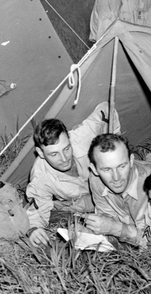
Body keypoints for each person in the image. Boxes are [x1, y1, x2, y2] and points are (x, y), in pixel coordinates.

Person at [25, 103, 120, 247]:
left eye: (67, 148)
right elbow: (37, 211)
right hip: (81, 201)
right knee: (56, 213)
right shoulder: (40, 176)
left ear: (69, 138)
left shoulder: (83, 136)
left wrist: (114, 146)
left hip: (106, 185)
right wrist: (33, 229)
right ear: (40, 153)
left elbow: (106, 108)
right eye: (54, 154)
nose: (64, 159)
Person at [85, 134, 151, 246]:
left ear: (131, 160)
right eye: (107, 169)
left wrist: (115, 229)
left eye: (121, 166)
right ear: (94, 169)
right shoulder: (96, 180)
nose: (116, 177)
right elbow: (106, 216)